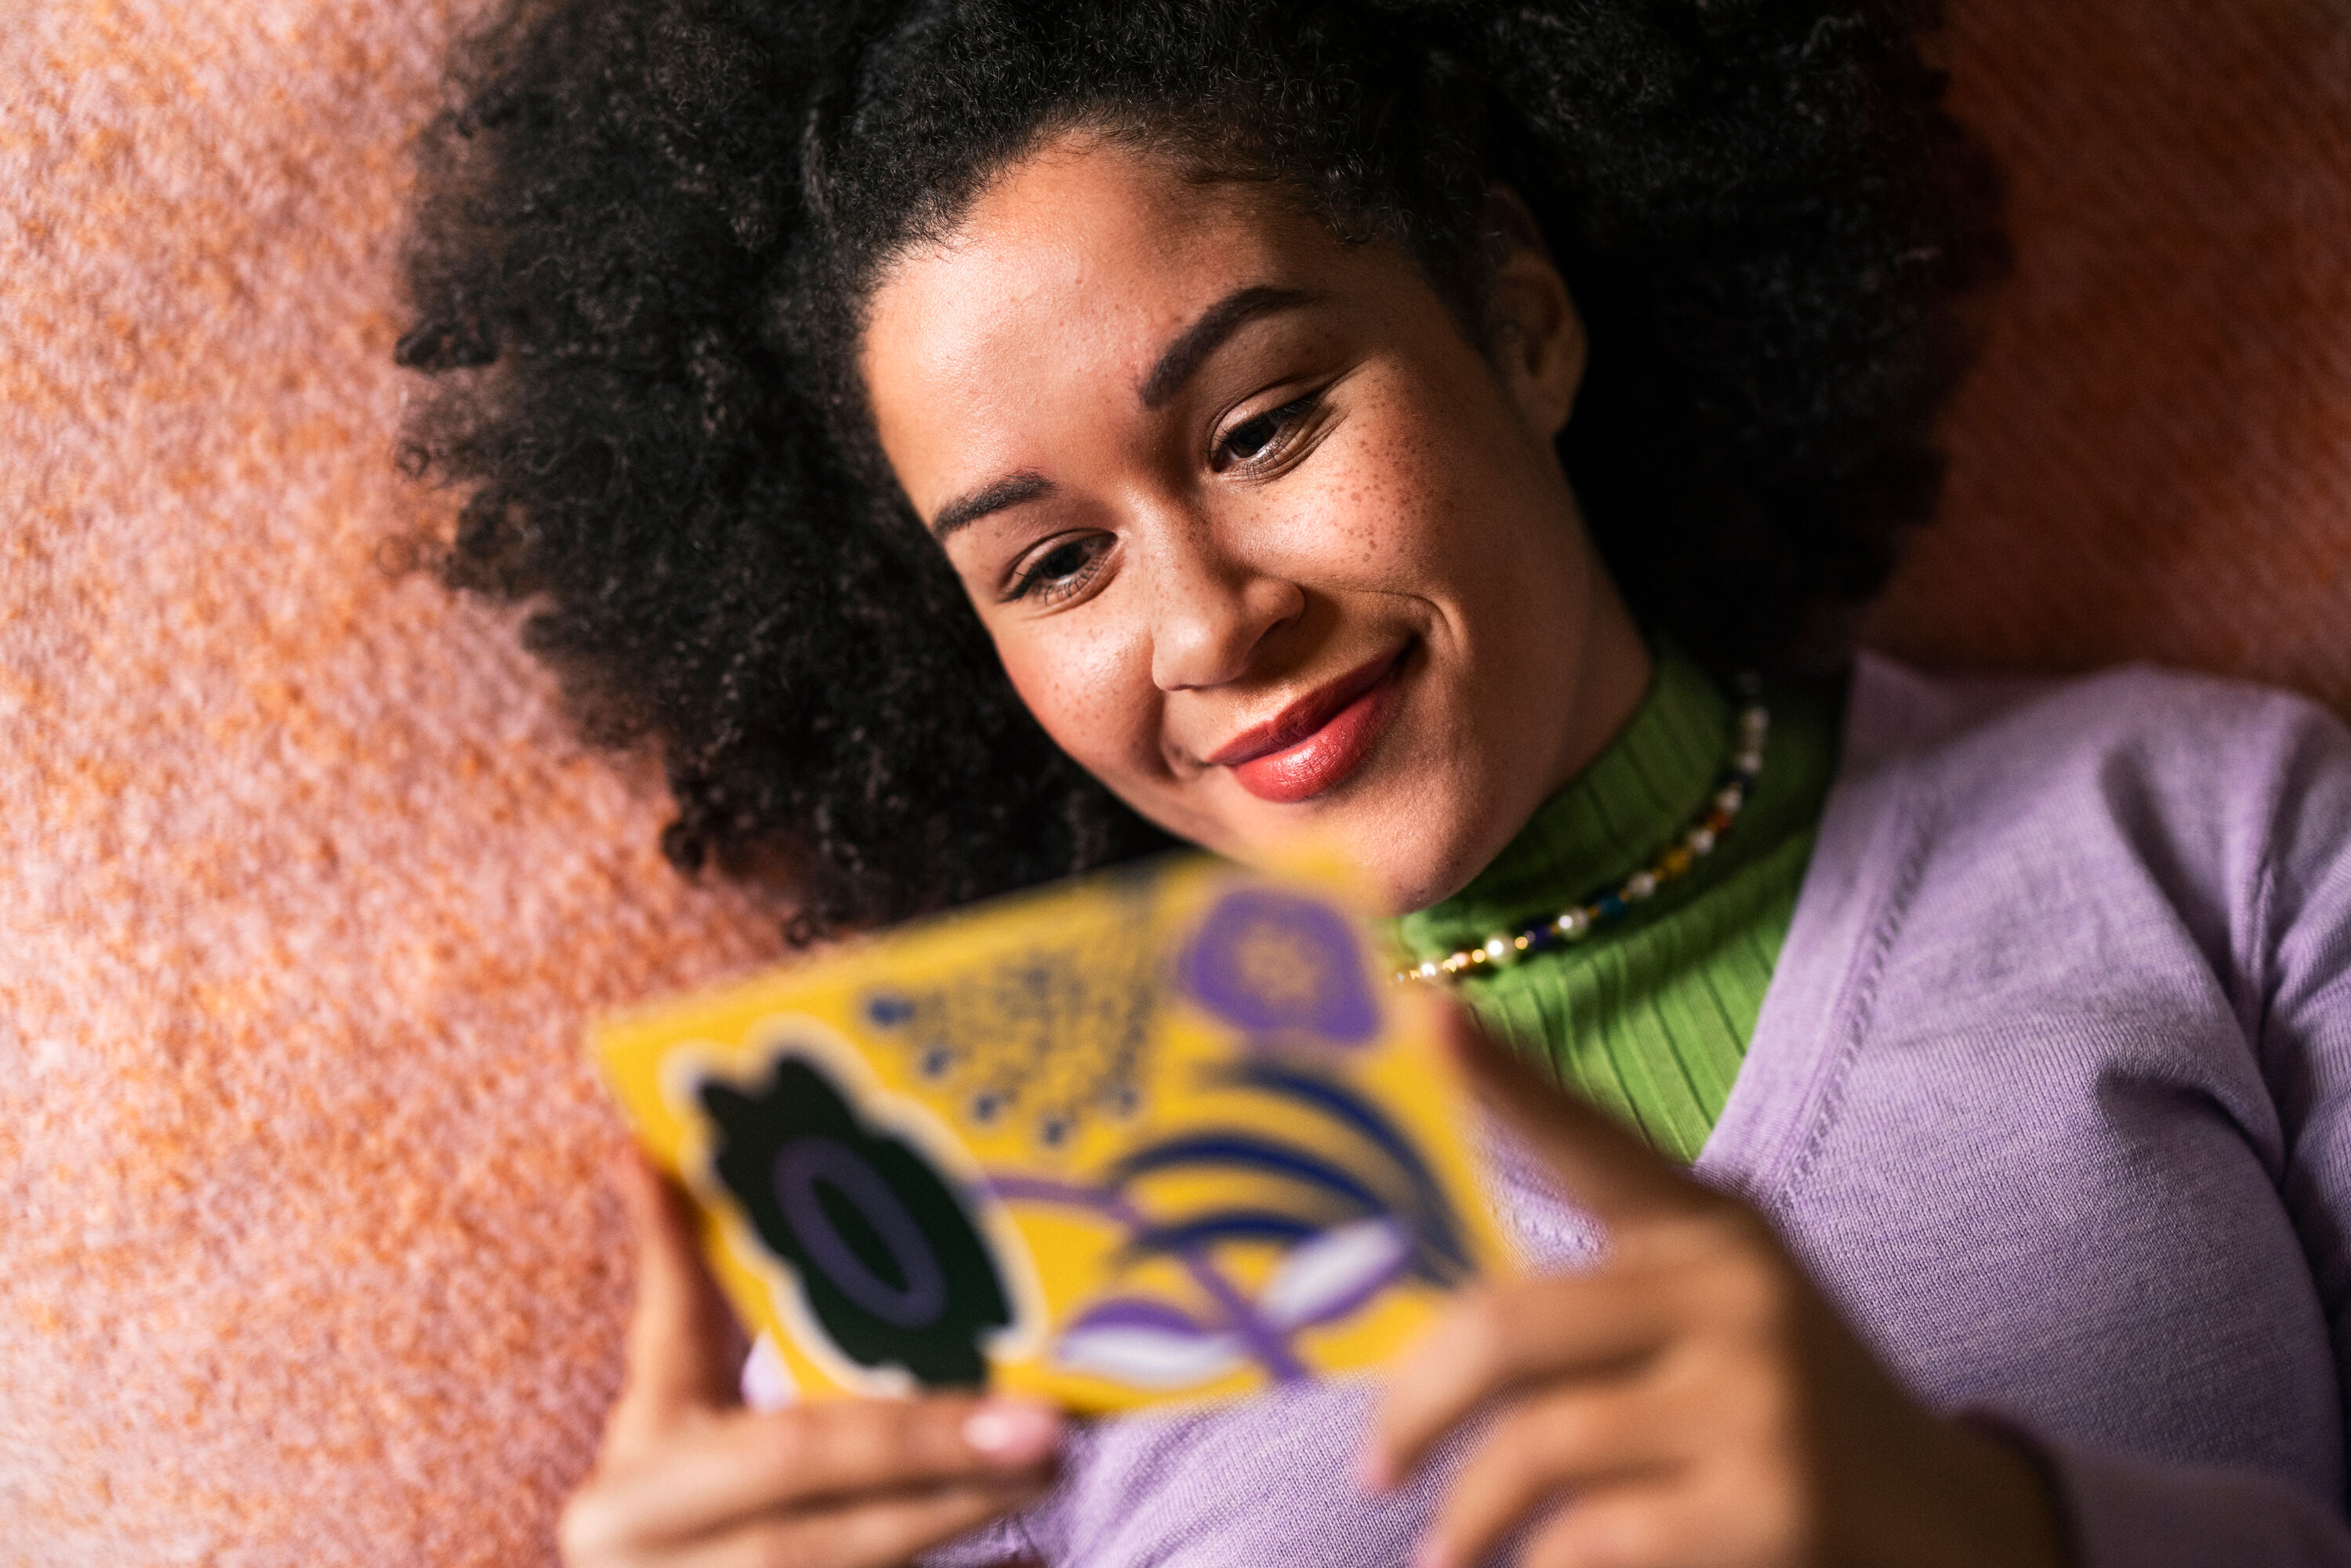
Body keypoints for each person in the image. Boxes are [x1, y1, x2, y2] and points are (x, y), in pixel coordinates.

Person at [394, 2, 2351, 1564]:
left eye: (1260, 425)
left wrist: (1981, 1533)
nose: (1209, 623)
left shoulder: (2217, 843)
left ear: (1521, 310)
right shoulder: (949, 1214)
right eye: (1051, 563)